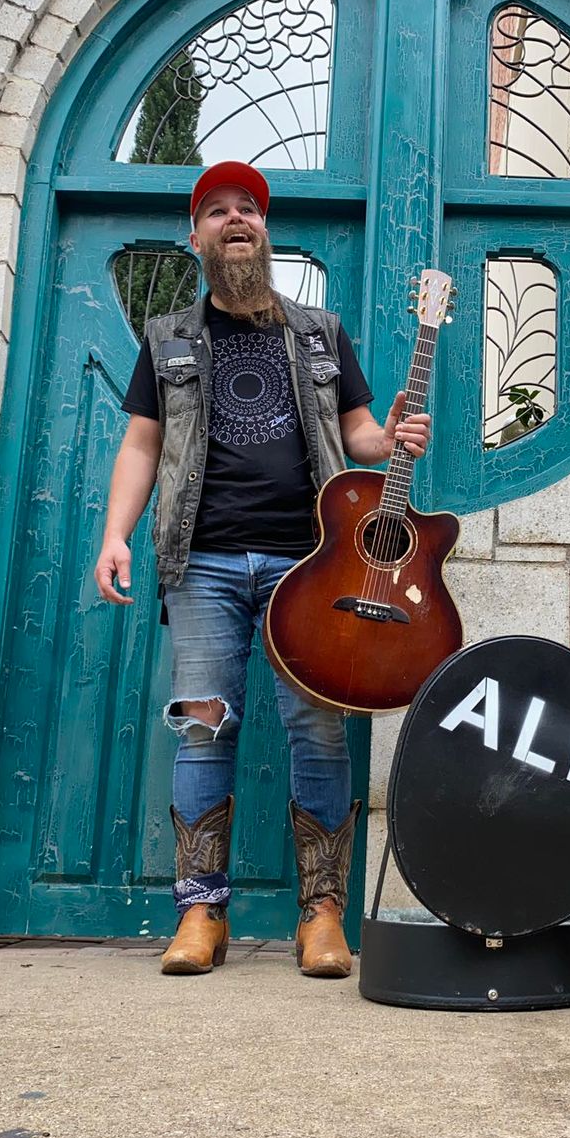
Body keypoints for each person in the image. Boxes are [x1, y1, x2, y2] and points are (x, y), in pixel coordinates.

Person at [94, 160, 431, 979]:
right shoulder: (169, 337)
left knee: (318, 730)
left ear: (265, 233)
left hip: (312, 569)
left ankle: (321, 916)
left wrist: (387, 442)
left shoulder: (320, 333)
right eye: (217, 210)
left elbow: (355, 433)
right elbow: (142, 443)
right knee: (204, 725)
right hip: (200, 562)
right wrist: (116, 536)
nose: (236, 218)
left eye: (249, 208)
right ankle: (201, 910)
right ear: (195, 236)